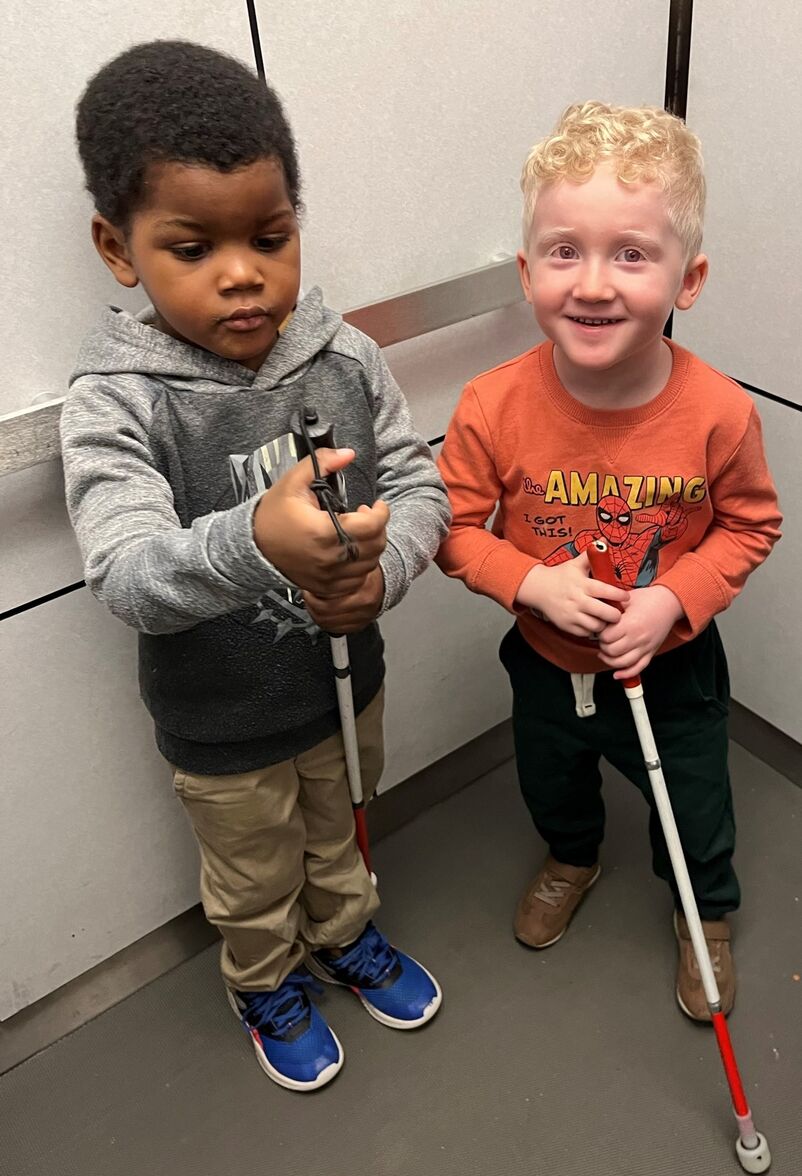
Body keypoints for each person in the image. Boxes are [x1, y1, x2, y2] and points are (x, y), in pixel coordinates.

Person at [61, 40, 449, 1091]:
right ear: (118, 246)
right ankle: (262, 980)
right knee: (251, 876)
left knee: (340, 841)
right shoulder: (118, 399)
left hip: (342, 689)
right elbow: (126, 573)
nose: (243, 273)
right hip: (220, 725)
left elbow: (421, 489)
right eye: (192, 247)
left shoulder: (344, 355)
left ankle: (346, 936)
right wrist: (252, 540)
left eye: (269, 238)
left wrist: (387, 574)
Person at [436, 102, 781, 1021]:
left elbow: (751, 528)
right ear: (526, 271)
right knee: (552, 780)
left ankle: (704, 912)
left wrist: (672, 602)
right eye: (563, 251)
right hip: (548, 666)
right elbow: (455, 529)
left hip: (673, 673)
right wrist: (531, 581)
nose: (593, 283)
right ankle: (573, 855)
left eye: (631, 253)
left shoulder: (719, 412)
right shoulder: (490, 405)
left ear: (688, 278)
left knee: (696, 806)